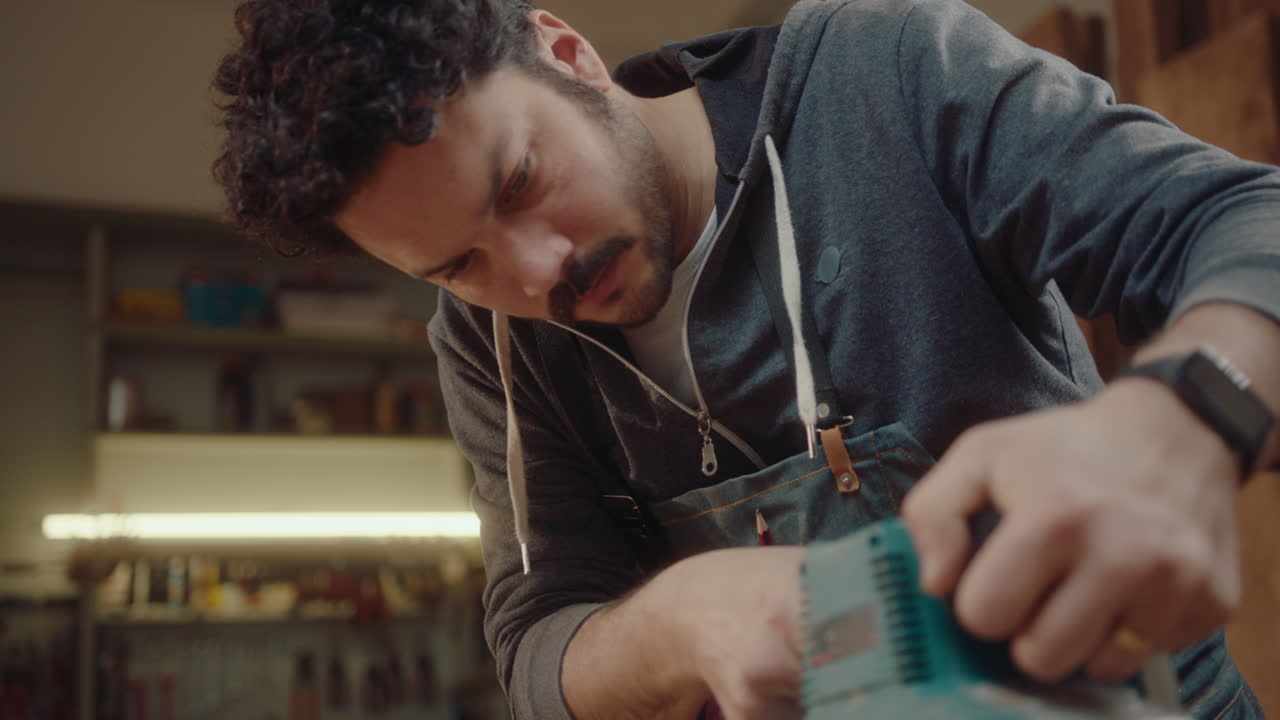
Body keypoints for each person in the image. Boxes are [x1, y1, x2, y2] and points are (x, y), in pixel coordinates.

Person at [211, 0, 1280, 717]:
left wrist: (1186, 410)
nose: (537, 274)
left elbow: (1239, 221)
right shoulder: (493, 344)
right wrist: (682, 618)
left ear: (564, 52)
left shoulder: (886, 77)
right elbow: (536, 646)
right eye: (457, 264)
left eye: (520, 181)